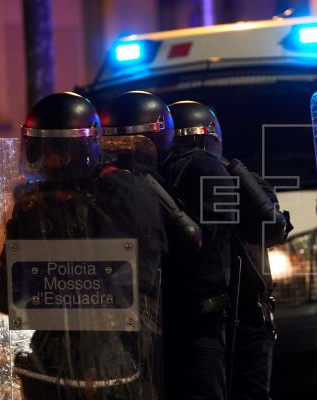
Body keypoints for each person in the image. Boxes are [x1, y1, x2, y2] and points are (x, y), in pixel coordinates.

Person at [0, 92, 167, 399]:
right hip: (67, 367)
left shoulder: (117, 194)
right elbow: (7, 297)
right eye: (43, 150)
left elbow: (137, 287)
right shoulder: (35, 205)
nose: (50, 161)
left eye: (58, 151)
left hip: (97, 367)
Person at [165, 100, 292, 400]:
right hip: (226, 313)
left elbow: (271, 227)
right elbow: (274, 228)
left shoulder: (176, 178)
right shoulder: (212, 176)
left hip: (224, 313)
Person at [100, 91, 205, 399]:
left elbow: (190, 236)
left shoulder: (144, 184)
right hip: (128, 317)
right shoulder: (127, 184)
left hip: (151, 316)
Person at [159, 100, 237, 400]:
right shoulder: (208, 166)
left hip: (167, 309)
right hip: (202, 311)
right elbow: (216, 234)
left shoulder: (157, 170)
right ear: (208, 136)